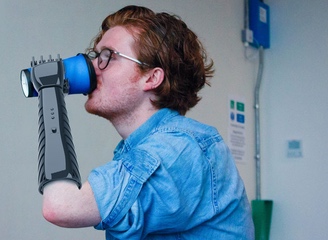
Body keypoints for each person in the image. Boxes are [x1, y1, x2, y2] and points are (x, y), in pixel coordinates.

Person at [41, 5, 254, 239]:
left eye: (107, 57)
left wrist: (50, 91)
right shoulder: (140, 150)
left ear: (152, 78)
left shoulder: (178, 149)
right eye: (95, 55)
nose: (92, 67)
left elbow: (61, 205)